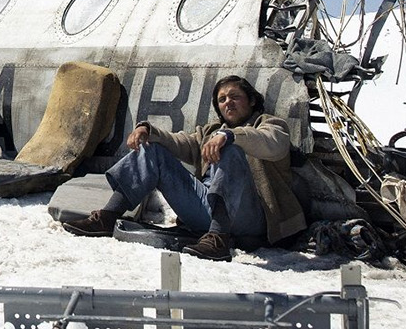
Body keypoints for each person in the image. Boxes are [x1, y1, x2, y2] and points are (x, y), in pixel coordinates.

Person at [59, 75, 306, 261]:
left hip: (252, 218)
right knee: (152, 149)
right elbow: (178, 142)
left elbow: (271, 144)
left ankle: (220, 239)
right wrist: (147, 130)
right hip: (205, 209)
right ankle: (107, 217)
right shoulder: (209, 133)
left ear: (252, 100)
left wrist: (230, 137)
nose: (228, 103)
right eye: (222, 100)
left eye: (235, 97)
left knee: (230, 150)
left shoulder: (271, 125)